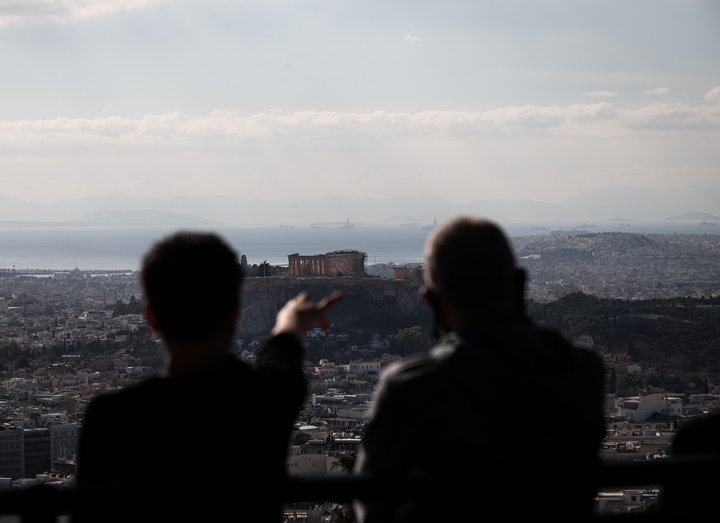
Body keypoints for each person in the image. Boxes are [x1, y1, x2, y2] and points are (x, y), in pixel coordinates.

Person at [75, 231, 342, 522]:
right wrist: (293, 316)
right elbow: (281, 351)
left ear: (151, 319)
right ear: (233, 315)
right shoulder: (264, 400)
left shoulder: (110, 419)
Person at [353, 216, 606, 522]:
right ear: (520, 284)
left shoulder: (410, 388)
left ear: (430, 301)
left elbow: (372, 507)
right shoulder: (581, 371)